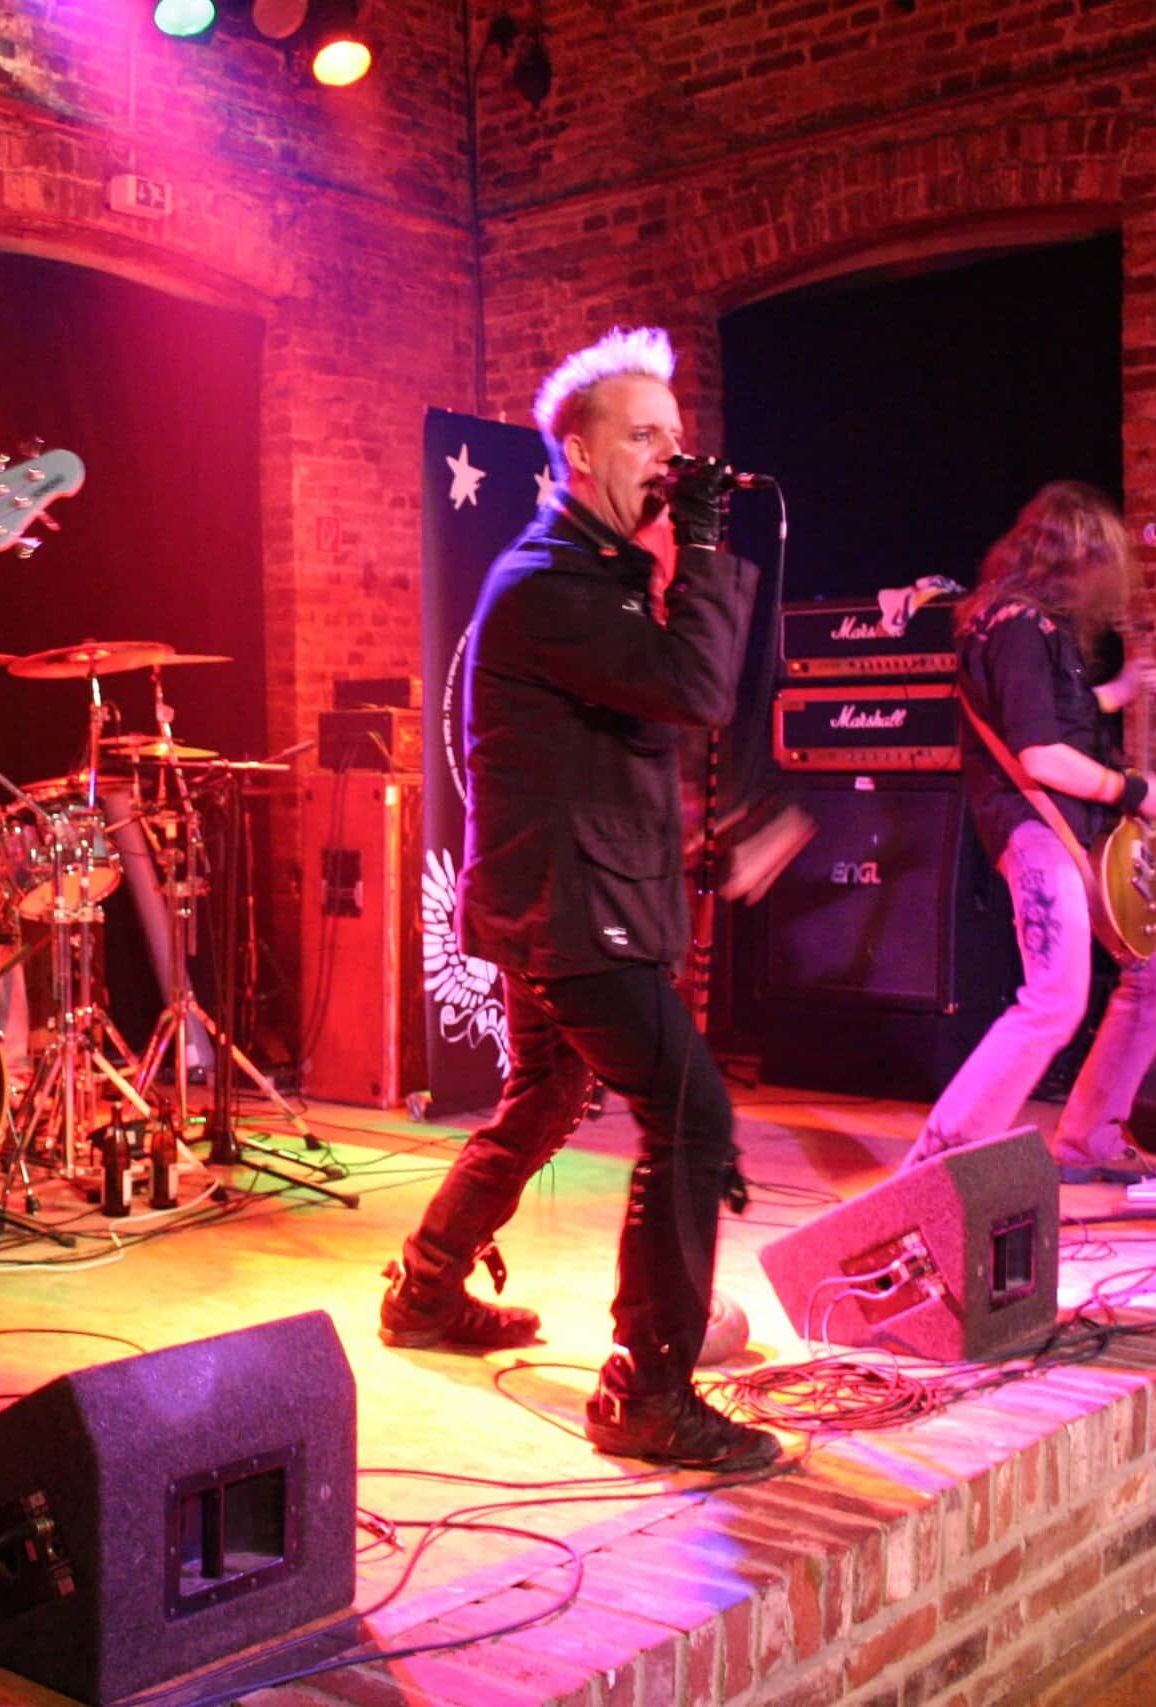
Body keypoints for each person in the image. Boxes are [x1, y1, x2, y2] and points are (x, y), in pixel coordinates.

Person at [379, 326, 778, 1471]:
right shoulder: (550, 582)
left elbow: (623, 735)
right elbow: (692, 689)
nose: (672, 459)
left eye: (677, 437)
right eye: (646, 437)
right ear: (583, 454)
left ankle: (424, 1289)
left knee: (545, 1099)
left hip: (561, 895)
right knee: (690, 1115)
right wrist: (704, 546)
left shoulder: (597, 577)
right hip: (569, 910)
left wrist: (694, 830)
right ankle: (646, 1392)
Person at [897, 481, 1156, 1180]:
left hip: (1076, 828)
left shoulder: (1025, 622)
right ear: (1074, 557)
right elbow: (1041, 754)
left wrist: (1120, 692)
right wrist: (1136, 790)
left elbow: (1052, 714)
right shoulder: (1017, 625)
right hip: (1037, 826)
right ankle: (940, 1165)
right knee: (1054, 998)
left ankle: (1088, 1142)